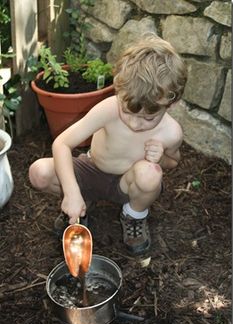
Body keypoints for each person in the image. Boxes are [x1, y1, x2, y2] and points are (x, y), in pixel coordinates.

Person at [29, 33, 187, 257]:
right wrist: (72, 192)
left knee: (150, 174)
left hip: (127, 184)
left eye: (148, 119)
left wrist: (161, 157)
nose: (135, 124)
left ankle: (133, 215)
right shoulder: (109, 108)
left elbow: (173, 161)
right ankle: (82, 201)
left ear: (171, 103)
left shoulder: (171, 132)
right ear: (118, 91)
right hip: (92, 169)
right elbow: (62, 144)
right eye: (128, 112)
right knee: (39, 173)